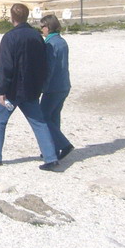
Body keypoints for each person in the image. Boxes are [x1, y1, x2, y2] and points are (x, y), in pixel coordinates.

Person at [0, 3, 59, 171]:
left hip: (12, 89)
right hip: (31, 87)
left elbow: (5, 66)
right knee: (39, 123)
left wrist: (1, 90)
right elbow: (43, 63)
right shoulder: (36, 36)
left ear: (12, 17)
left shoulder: (9, 37)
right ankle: (51, 157)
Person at [38, 14, 74, 164]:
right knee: (54, 117)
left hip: (53, 87)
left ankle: (63, 144)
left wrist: (42, 87)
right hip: (64, 85)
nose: (41, 30)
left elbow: (49, 68)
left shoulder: (50, 44)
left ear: (48, 27)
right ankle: (53, 148)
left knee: (44, 118)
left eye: (42, 27)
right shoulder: (62, 41)